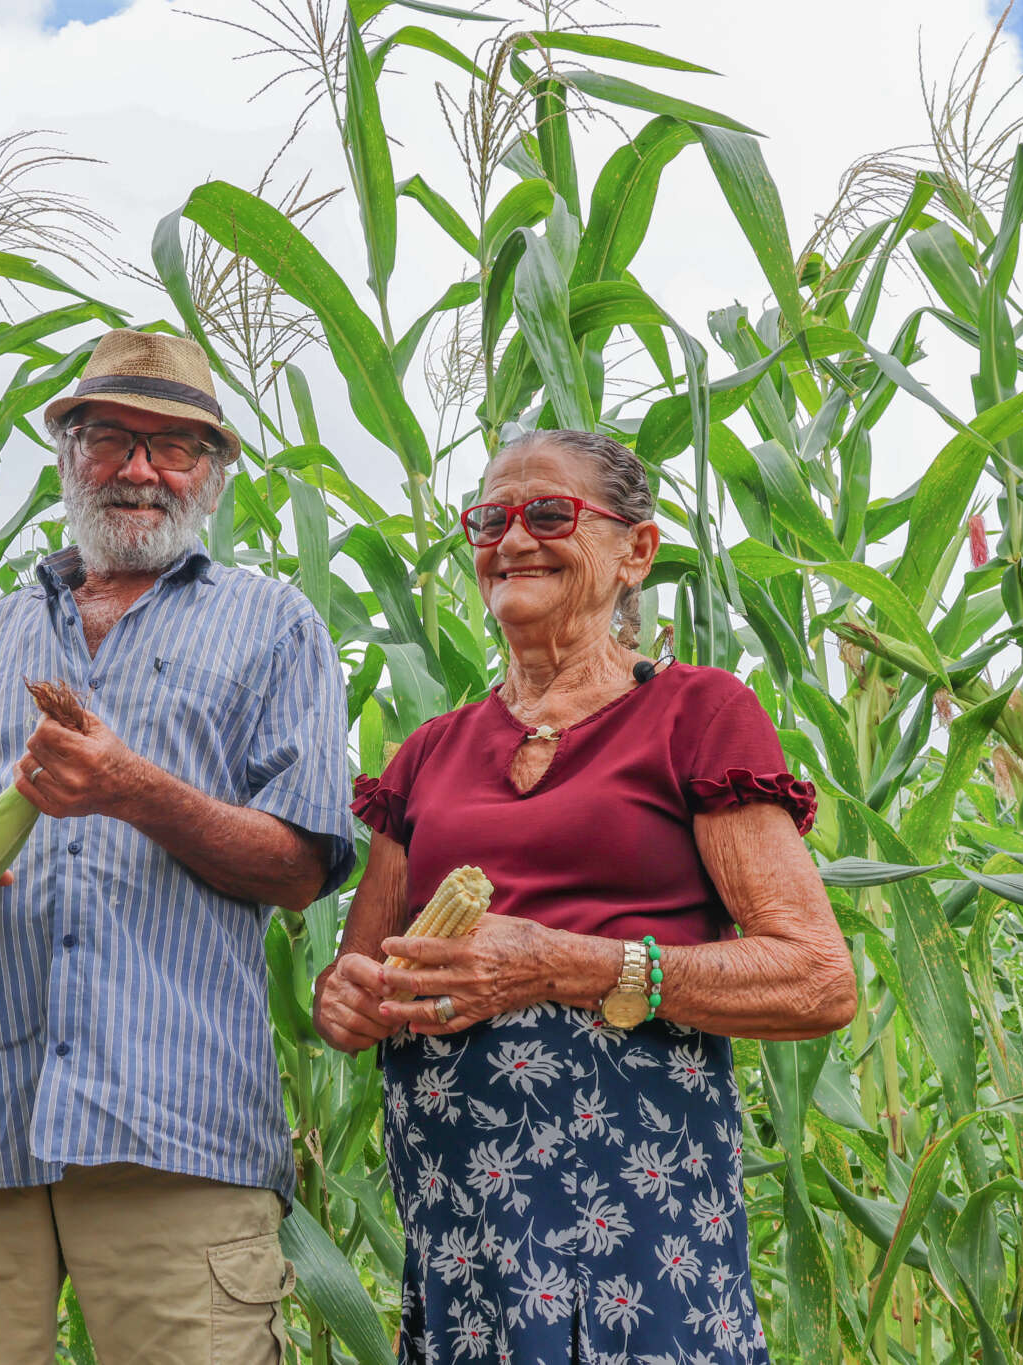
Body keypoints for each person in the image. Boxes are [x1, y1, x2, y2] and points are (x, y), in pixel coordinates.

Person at [312, 427, 856, 1363]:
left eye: (550, 513)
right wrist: (347, 997)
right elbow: (358, 985)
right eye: (490, 518)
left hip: (639, 1213)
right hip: (465, 1223)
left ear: (633, 550)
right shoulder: (428, 755)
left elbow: (815, 978)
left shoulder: (696, 714)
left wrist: (562, 966)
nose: (512, 539)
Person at [0, 329, 356, 1364]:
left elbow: (301, 867)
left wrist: (134, 791)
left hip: (173, 1124)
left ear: (214, 473)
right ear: (67, 453)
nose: (140, 469)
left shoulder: (275, 627)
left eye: (175, 446)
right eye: (110, 438)